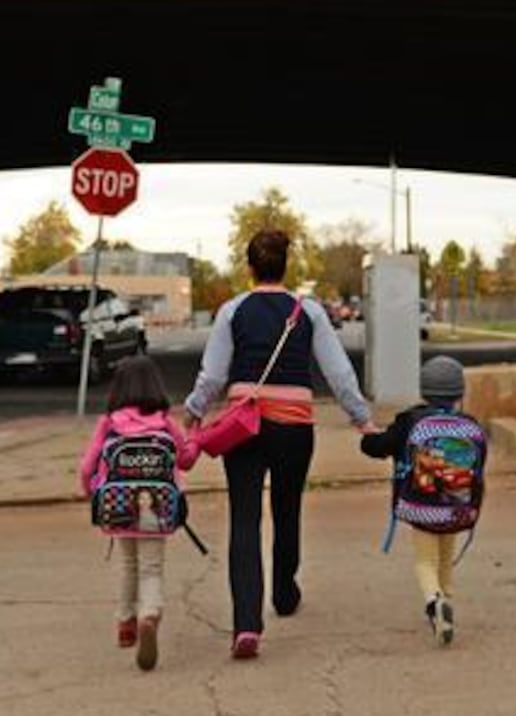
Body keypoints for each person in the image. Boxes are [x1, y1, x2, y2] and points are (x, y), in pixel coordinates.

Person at [185, 229, 375, 660]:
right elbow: (338, 372)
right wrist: (361, 419)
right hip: (294, 428)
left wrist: (195, 411)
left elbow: (213, 375)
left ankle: (246, 625)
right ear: (285, 266)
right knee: (287, 510)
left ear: (250, 267)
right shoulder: (309, 311)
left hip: (243, 428)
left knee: (245, 521)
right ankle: (285, 594)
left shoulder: (231, 311)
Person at [77, 355, 199, 671]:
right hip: (159, 508)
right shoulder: (164, 421)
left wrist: (93, 495)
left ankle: (126, 623)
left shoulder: (109, 423)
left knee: (128, 564)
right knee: (151, 568)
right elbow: (185, 459)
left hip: (117, 507)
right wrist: (195, 440)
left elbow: (87, 467)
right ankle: (150, 614)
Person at [359, 355, 483, 646]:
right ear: (459, 393)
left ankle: (434, 602)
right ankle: (446, 599)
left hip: (422, 506)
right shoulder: (469, 425)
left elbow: (377, 447)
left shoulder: (409, 421)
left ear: (424, 390)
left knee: (425, 560)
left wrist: (366, 437)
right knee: (445, 558)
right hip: (456, 508)